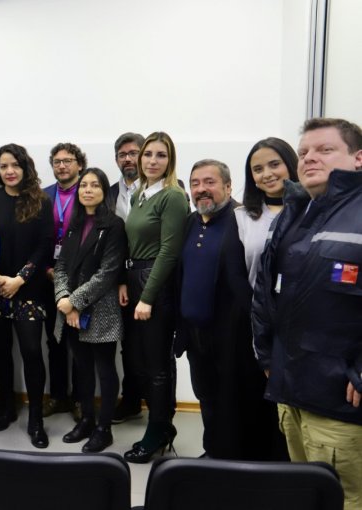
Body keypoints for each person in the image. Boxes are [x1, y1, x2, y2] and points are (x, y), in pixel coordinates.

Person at [252, 118, 362, 509]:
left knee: (345, 496)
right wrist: (266, 355)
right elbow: (266, 292)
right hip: (291, 388)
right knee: (307, 491)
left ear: (358, 158)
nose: (310, 158)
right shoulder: (294, 213)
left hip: (340, 401)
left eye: (325, 149)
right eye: (303, 153)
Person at [179, 159, 285, 460]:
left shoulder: (242, 221)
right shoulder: (191, 221)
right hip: (196, 334)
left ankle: (236, 459)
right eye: (196, 183)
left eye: (209, 182)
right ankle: (214, 451)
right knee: (207, 397)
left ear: (227, 186)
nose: (202, 190)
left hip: (233, 334)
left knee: (235, 401)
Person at [122, 131, 189, 463]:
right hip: (136, 278)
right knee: (139, 363)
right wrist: (126, 283)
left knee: (157, 364)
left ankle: (159, 428)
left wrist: (147, 296)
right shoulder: (141, 195)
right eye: (148, 154)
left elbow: (169, 251)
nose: (152, 161)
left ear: (170, 160)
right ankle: (161, 424)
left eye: (160, 155)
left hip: (155, 283)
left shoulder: (172, 196)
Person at [0, 143, 54, 449]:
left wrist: (19, 279)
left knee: (31, 353)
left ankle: (36, 418)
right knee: (1, 353)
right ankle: (7, 408)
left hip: (30, 289)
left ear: (25, 168)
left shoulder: (40, 201)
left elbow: (45, 246)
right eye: (3, 166)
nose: (9, 171)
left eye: (15, 165)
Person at [55, 168, 126, 453]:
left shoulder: (114, 225)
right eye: (83, 185)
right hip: (70, 309)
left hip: (100, 308)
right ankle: (86, 419)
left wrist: (74, 301)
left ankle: (103, 428)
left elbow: (108, 273)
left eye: (94, 185)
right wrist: (63, 297)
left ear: (104, 191)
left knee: (105, 369)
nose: (87, 190)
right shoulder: (74, 223)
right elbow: (60, 265)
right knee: (81, 368)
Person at [41, 142, 85, 418]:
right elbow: (39, 237)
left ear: (79, 164)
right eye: (57, 161)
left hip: (80, 278)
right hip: (48, 276)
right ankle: (58, 396)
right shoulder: (44, 196)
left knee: (79, 341)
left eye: (68, 160)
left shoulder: (89, 192)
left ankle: (81, 399)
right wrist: (47, 268)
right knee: (54, 341)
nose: (62, 165)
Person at [109, 132, 146, 424]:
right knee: (129, 346)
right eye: (122, 154)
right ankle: (131, 400)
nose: (128, 159)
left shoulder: (167, 189)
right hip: (121, 278)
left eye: (134, 153)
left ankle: (161, 409)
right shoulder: (110, 192)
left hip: (152, 276)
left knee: (156, 348)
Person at [235, 138, 299, 286]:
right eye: (258, 169)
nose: (267, 174)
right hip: (258, 305)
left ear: (290, 164)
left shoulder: (311, 210)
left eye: (275, 165)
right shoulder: (241, 217)